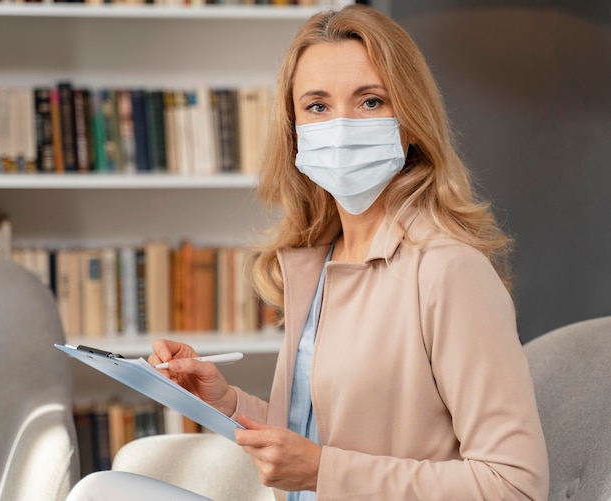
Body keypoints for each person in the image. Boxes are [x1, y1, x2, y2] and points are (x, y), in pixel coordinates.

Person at [67, 4, 549, 500]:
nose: (341, 127)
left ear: (410, 121)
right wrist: (226, 402)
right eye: (318, 107)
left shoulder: (449, 270)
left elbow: (515, 485)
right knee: (102, 489)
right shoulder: (321, 260)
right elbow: (323, 434)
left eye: (370, 101)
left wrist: (324, 472)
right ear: (295, 130)